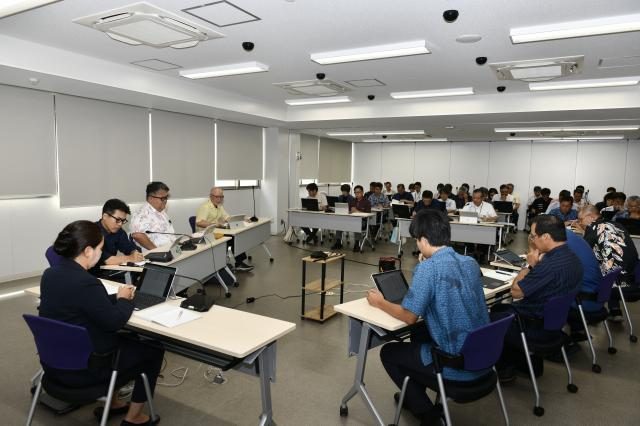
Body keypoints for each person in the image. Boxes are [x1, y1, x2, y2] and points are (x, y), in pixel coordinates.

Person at [367, 209, 489, 425]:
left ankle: (427, 413)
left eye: (416, 240)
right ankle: (412, 395)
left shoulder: (427, 269)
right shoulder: (469, 262)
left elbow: (409, 317)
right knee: (420, 334)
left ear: (423, 240)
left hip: (456, 367)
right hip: (483, 357)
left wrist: (380, 302)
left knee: (389, 352)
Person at [39, 221, 164, 426]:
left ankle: (113, 404)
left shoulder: (50, 274)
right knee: (153, 349)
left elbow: (84, 304)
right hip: (87, 371)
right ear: (88, 251)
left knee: (124, 339)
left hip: (54, 365)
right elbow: (114, 322)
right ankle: (134, 418)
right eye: (100, 249)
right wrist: (124, 300)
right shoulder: (87, 282)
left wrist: (116, 298)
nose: (101, 254)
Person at [491, 215, 582, 381]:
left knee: (493, 315)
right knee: (501, 308)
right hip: (553, 322)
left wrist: (530, 265)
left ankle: (505, 369)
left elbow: (515, 292)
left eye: (533, 236)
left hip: (533, 325)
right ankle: (521, 364)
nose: (532, 240)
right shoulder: (572, 258)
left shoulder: (549, 265)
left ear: (546, 237)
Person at [577, 206, 639, 321]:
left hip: (614, 283)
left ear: (591, 217)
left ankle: (582, 318)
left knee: (587, 270)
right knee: (609, 264)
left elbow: (583, 252)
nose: (579, 223)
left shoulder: (593, 227)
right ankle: (615, 310)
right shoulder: (618, 225)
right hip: (633, 278)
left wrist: (584, 233)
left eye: (580, 219)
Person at [195, 187, 254, 272]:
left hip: (216, 232)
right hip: (205, 235)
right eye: (217, 197)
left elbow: (227, 218)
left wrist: (243, 219)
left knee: (236, 236)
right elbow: (199, 222)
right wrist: (214, 224)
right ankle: (237, 264)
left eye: (221, 197)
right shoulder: (205, 207)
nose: (219, 199)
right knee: (232, 239)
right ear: (211, 196)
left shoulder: (219, 206)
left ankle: (238, 262)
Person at [564, 229, 604, 342]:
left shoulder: (562, 245)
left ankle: (546, 338)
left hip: (583, 302)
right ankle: (578, 329)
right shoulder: (577, 239)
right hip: (596, 299)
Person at [90, 199, 143, 277]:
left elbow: (129, 247)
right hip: (92, 275)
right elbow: (107, 260)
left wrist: (134, 252)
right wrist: (131, 258)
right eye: (118, 220)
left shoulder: (119, 231)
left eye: (123, 220)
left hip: (110, 271)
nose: (120, 224)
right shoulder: (92, 232)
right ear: (105, 216)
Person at [130, 182, 175, 251]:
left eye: (166, 197)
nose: (165, 201)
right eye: (162, 198)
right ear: (151, 198)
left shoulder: (161, 212)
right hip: (155, 254)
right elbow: (137, 235)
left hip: (171, 250)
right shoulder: (141, 214)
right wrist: (156, 251)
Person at [349, 185, 372, 252]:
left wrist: (357, 211)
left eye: (358, 192)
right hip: (351, 219)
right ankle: (338, 241)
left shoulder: (367, 202)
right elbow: (348, 211)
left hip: (363, 221)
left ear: (362, 192)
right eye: (355, 192)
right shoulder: (352, 200)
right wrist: (350, 211)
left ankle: (357, 243)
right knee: (340, 222)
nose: (357, 194)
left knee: (357, 223)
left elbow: (368, 214)